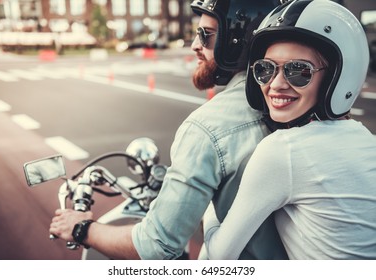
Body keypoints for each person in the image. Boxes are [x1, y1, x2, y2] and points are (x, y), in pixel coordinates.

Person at [49, 0, 288, 260]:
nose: (195, 45)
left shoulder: (208, 128)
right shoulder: (296, 104)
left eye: (205, 35)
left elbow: (156, 247)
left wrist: (82, 228)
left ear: (236, 40)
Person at [203, 0, 376, 259]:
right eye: (265, 69)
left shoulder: (283, 150)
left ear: (336, 78)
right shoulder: (365, 139)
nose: (276, 84)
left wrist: (209, 204)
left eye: (299, 71)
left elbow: (219, 256)